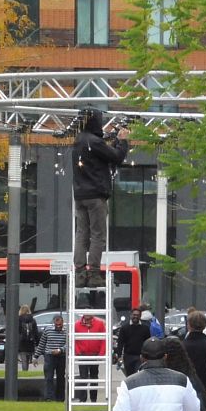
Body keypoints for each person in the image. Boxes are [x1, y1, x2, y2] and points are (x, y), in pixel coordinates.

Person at [72, 109, 128, 287]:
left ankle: (80, 273)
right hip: (96, 195)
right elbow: (117, 157)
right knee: (98, 235)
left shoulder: (78, 141)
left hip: (80, 195)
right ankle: (94, 272)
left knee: (81, 234)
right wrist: (123, 141)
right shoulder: (94, 142)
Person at [74, 313, 106, 403]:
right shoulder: (77, 325)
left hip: (95, 354)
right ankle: (83, 399)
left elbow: (104, 339)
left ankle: (93, 399)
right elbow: (73, 339)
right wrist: (78, 352)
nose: (87, 314)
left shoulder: (99, 324)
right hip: (82, 354)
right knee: (83, 377)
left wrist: (101, 354)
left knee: (94, 377)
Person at [35, 314, 67, 401]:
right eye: (57, 324)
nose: (58, 326)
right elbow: (42, 343)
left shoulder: (66, 331)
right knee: (49, 377)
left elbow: (68, 344)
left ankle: (60, 397)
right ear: (54, 322)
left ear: (62, 322)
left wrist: (60, 350)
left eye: (60, 324)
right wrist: (36, 356)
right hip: (49, 356)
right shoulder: (48, 330)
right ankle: (49, 397)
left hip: (61, 356)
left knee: (61, 377)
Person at [119, 309, 151, 376]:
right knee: (129, 376)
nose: (135, 316)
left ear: (140, 316)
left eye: (137, 315)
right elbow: (120, 343)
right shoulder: (124, 328)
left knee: (138, 375)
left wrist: (147, 356)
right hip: (128, 356)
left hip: (140, 357)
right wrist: (119, 356)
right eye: (134, 315)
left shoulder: (145, 328)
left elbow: (147, 343)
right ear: (131, 315)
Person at [18, 305, 37, 371]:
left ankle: (24, 371)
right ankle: (26, 370)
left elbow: (17, 331)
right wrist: (36, 342)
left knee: (23, 359)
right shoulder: (32, 320)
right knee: (28, 358)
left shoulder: (18, 319)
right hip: (30, 342)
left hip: (22, 342)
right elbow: (35, 332)